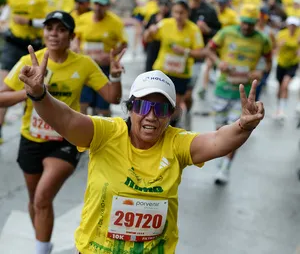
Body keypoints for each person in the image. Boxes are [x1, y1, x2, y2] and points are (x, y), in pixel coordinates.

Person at [18, 50, 264, 253]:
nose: (151, 116)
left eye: (161, 109)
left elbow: (218, 141)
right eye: (143, 106)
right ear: (130, 108)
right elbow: (66, 119)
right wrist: (39, 94)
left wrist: (243, 124)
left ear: (171, 115)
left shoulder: (176, 143)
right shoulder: (106, 133)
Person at [0, 11, 124, 254]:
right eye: (49, 29)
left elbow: (113, 97)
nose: (54, 34)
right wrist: (32, 91)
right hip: (31, 139)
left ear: (71, 36)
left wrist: (116, 76)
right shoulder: (29, 62)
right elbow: (2, 97)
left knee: (42, 197)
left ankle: (40, 250)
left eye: (60, 29)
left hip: (66, 140)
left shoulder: (84, 64)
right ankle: (43, 242)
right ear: (44, 32)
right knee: (35, 201)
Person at [206, 4, 272, 184]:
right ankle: (221, 156)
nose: (246, 27)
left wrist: (261, 72)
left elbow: (268, 63)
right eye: (244, 23)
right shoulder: (226, 32)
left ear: (256, 23)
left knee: (236, 129)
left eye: (251, 24)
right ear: (240, 20)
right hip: (222, 88)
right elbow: (209, 49)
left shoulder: (263, 40)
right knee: (220, 129)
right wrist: (219, 62)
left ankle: (226, 168)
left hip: (243, 95)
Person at [0, 0, 55, 143]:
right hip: (13, 42)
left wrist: (30, 22)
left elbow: (51, 20)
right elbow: (10, 7)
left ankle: (29, 127)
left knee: (31, 87)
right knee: (4, 86)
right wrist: (3, 19)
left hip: (34, 47)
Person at [144, 0, 205, 127]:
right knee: (157, 101)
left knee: (175, 106)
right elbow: (147, 38)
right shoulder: (164, 24)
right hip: (162, 71)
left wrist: (185, 51)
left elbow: (200, 53)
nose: (178, 16)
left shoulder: (194, 30)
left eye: (181, 12)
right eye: (175, 12)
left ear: (187, 13)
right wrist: (150, 31)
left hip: (181, 74)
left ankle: (172, 126)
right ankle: (157, 127)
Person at [74, 0, 128, 117]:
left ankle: (108, 130)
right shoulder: (83, 19)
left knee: (103, 107)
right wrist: (76, 48)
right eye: (96, 4)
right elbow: (76, 37)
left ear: (108, 6)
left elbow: (124, 43)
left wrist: (110, 55)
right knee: (83, 103)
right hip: (86, 66)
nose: (98, 8)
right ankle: (84, 134)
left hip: (104, 67)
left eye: (102, 5)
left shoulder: (115, 23)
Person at [274, 16, 300, 120]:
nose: (292, 27)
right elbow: (276, 48)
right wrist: (280, 45)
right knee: (280, 86)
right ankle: (279, 107)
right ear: (288, 25)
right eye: (291, 25)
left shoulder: (298, 36)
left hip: (292, 64)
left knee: (285, 85)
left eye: (295, 26)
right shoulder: (281, 34)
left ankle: (282, 111)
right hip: (281, 63)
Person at [144, 0, 171, 72]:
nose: (163, 7)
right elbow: (145, 32)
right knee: (149, 69)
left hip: (164, 46)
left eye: (166, 5)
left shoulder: (170, 18)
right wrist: (150, 30)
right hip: (152, 46)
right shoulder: (153, 16)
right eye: (162, 5)